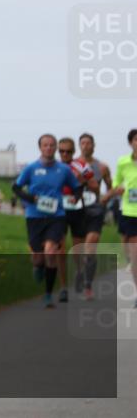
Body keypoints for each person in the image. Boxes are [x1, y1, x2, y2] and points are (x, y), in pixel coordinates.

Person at [12, 134, 82, 308]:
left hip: (56, 216)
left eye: (52, 145)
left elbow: (77, 187)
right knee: (38, 257)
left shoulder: (63, 170)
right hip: (34, 216)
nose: (49, 148)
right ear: (40, 148)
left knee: (51, 252)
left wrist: (75, 197)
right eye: (45, 145)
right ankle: (38, 266)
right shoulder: (31, 168)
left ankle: (48, 294)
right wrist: (31, 197)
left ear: (55, 148)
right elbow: (16, 187)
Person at [74, 133, 113, 300]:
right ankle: (80, 271)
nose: (85, 146)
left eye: (88, 143)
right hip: (76, 209)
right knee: (78, 249)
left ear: (94, 145)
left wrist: (106, 197)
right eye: (82, 143)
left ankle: (88, 286)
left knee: (91, 245)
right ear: (79, 145)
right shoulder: (73, 165)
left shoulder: (102, 167)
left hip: (96, 210)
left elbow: (111, 186)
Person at [58, 137, 96, 303]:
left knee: (76, 248)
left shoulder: (79, 164)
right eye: (62, 151)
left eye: (68, 151)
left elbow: (90, 174)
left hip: (77, 209)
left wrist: (80, 180)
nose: (65, 154)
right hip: (59, 210)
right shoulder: (55, 166)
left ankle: (79, 271)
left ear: (73, 152)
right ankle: (63, 287)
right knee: (60, 248)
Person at [107, 129, 137, 309]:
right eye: (136, 139)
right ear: (130, 143)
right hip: (128, 211)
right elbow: (116, 182)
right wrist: (117, 188)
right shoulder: (123, 162)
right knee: (130, 252)